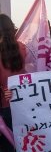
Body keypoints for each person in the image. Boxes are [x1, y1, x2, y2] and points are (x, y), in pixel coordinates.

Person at [0, 14, 26, 152]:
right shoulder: (22, 47)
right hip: (22, 101)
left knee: (8, 142)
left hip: (4, 103)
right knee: (22, 138)